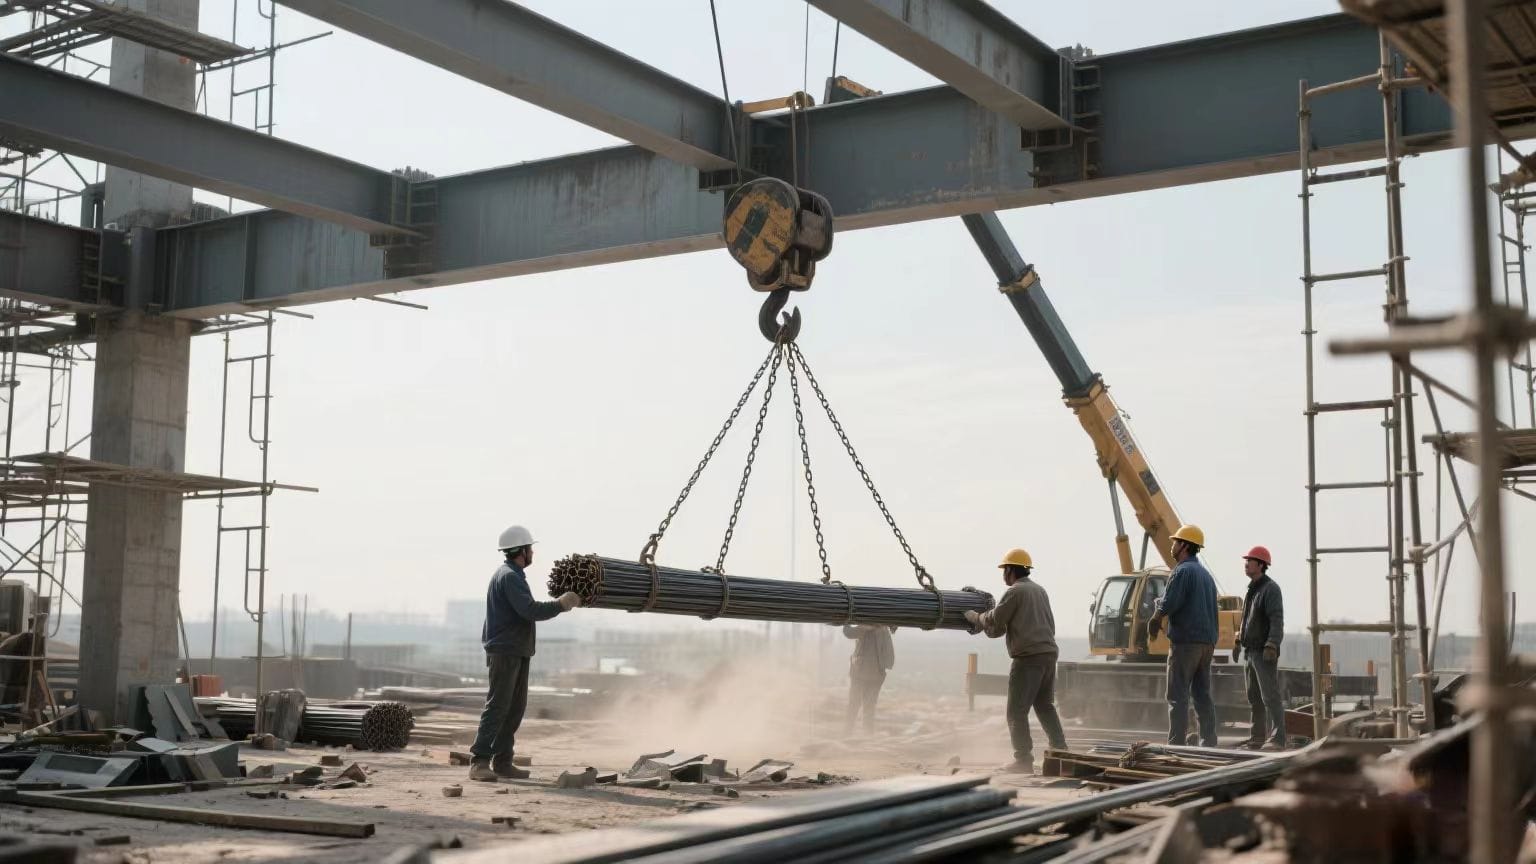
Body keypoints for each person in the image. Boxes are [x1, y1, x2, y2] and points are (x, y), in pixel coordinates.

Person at [469, 525, 583, 782]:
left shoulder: (514, 575)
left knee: (514, 708)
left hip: (516, 650)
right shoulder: (509, 576)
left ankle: (503, 762)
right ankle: (479, 762)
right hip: (505, 651)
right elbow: (529, 610)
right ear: (521, 551)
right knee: (498, 706)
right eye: (530, 548)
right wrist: (561, 604)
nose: (532, 552)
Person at [964, 548, 1067, 774]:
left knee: (1016, 711)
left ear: (1011, 570)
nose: (1003, 575)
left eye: (1004, 570)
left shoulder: (1015, 592)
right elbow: (1004, 627)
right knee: (1044, 705)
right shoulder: (1039, 591)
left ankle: (1023, 760)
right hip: (1048, 654)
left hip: (1028, 658)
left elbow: (996, 618)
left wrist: (976, 617)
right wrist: (990, 627)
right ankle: (1061, 754)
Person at [1147, 524, 1219, 748]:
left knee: (1177, 696)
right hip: (1206, 643)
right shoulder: (1206, 575)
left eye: (1176, 542)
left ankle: (1176, 744)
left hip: (1186, 642)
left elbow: (1170, 602)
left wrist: (1157, 616)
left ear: (1185, 546)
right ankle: (1208, 742)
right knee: (1202, 695)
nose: (1173, 546)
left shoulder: (1182, 571)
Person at [1234, 545, 1286, 751]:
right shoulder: (1251, 590)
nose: (1246, 564)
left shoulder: (1270, 589)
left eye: (1250, 560)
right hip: (1250, 652)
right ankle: (1257, 738)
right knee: (1254, 697)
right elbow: (1245, 619)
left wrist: (1272, 644)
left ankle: (1278, 738)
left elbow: (1277, 619)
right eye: (1246, 560)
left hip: (1263, 653)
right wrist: (1238, 640)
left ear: (1261, 565)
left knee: (1270, 696)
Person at [842, 624, 896, 735]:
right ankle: (850, 734)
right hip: (863, 672)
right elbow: (848, 632)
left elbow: (848, 632)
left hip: (872, 672)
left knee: (866, 707)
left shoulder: (881, 627)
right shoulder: (866, 626)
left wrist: (847, 622)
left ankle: (865, 737)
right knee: (857, 706)